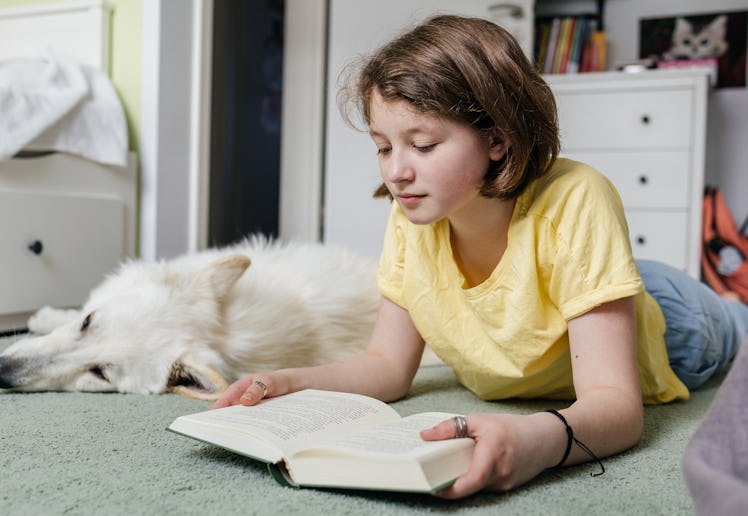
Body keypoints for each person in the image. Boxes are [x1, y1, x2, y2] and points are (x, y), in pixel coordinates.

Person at [214, 15, 748, 498]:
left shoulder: (579, 198)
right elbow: (387, 366)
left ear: (498, 139)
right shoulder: (412, 216)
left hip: (677, 322)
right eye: (383, 146)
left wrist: (536, 439)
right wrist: (290, 381)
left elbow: (616, 407)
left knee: (737, 324)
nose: (396, 171)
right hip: (578, 293)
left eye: (422, 146)